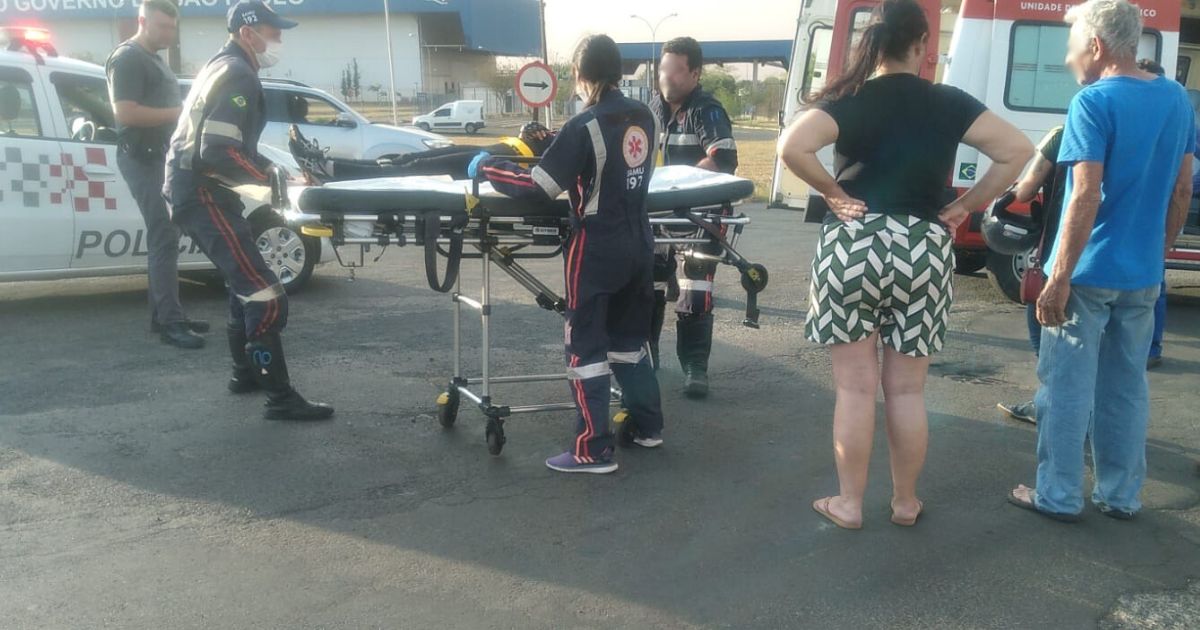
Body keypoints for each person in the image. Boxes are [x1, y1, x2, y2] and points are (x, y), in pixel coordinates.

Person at [779, 0, 1034, 529]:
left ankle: (849, 504)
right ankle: (904, 502)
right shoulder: (948, 101)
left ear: (873, 45)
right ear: (922, 45)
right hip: (923, 247)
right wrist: (966, 205)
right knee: (907, 390)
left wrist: (832, 192)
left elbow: (793, 146)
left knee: (855, 388)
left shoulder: (850, 100)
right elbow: (1016, 150)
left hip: (853, 244)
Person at [1008, 0, 1194, 522]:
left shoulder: (1092, 102)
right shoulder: (1176, 98)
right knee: (1126, 388)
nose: (1068, 59)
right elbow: (1182, 188)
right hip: (1142, 273)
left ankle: (1059, 495)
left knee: (1065, 388)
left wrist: (1058, 276)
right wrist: (1158, 252)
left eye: (1072, 48)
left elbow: (1086, 195)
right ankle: (1120, 495)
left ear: (1096, 45)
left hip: (1088, 272)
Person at [480, 34, 664, 474]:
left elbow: (538, 187)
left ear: (580, 76)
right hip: (640, 242)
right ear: (617, 71)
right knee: (628, 344)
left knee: (585, 349)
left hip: (597, 249)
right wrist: (556, 142)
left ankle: (591, 450)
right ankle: (648, 426)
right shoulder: (646, 116)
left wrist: (488, 166)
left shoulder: (584, 125)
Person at [163, 1, 333, 421]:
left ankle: (245, 375)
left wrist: (275, 171)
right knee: (264, 293)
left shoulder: (221, 65)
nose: (279, 40)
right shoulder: (238, 73)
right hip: (201, 192)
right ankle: (280, 398)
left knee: (243, 283)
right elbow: (217, 150)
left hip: (198, 190)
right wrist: (274, 180)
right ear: (247, 33)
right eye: (273, 32)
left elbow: (225, 146)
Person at [106, 0, 208, 350]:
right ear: (142, 21)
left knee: (166, 234)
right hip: (142, 158)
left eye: (171, 27)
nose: (169, 34)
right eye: (162, 26)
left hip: (159, 157)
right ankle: (170, 322)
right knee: (164, 233)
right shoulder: (128, 58)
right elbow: (125, 113)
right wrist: (180, 112)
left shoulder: (153, 57)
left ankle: (164, 313)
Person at [649, 37, 739, 397]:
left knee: (696, 285)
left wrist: (679, 183)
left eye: (675, 71)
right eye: (662, 70)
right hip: (659, 211)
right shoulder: (652, 109)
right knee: (649, 283)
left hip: (702, 211)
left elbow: (724, 159)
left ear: (695, 74)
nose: (665, 78)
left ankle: (695, 367)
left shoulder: (707, 110)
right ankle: (647, 358)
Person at [288, 121, 556, 183]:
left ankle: (330, 170)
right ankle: (328, 164)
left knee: (410, 169)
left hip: (494, 163)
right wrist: (529, 129)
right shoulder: (571, 130)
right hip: (497, 149)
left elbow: (551, 160)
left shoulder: (575, 135)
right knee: (406, 159)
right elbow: (546, 139)